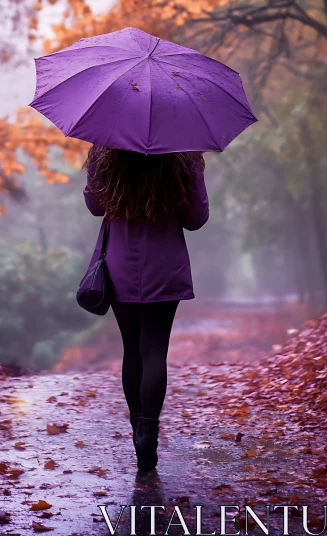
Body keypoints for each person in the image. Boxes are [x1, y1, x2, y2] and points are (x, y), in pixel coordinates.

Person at [82, 145, 209, 472]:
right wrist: (196, 169)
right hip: (164, 266)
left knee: (132, 351)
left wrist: (94, 166)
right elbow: (196, 219)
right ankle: (147, 433)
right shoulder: (182, 150)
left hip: (122, 265)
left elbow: (96, 206)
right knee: (154, 353)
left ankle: (136, 425)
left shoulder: (106, 149)